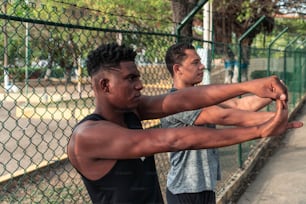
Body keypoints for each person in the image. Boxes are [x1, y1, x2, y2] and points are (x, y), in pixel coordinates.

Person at [67, 42, 302, 204]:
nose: (140, 85)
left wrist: (248, 86)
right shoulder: (88, 136)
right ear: (105, 86)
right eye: (130, 79)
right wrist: (261, 130)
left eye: (138, 77)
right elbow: (175, 139)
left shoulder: (132, 112)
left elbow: (184, 98)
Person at [161, 42, 278, 204]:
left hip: (206, 188)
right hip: (184, 191)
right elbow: (222, 116)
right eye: (195, 63)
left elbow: (240, 105)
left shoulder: (201, 97)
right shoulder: (174, 102)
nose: (202, 66)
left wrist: (275, 93)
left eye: (200, 62)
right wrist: (276, 118)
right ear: (177, 69)